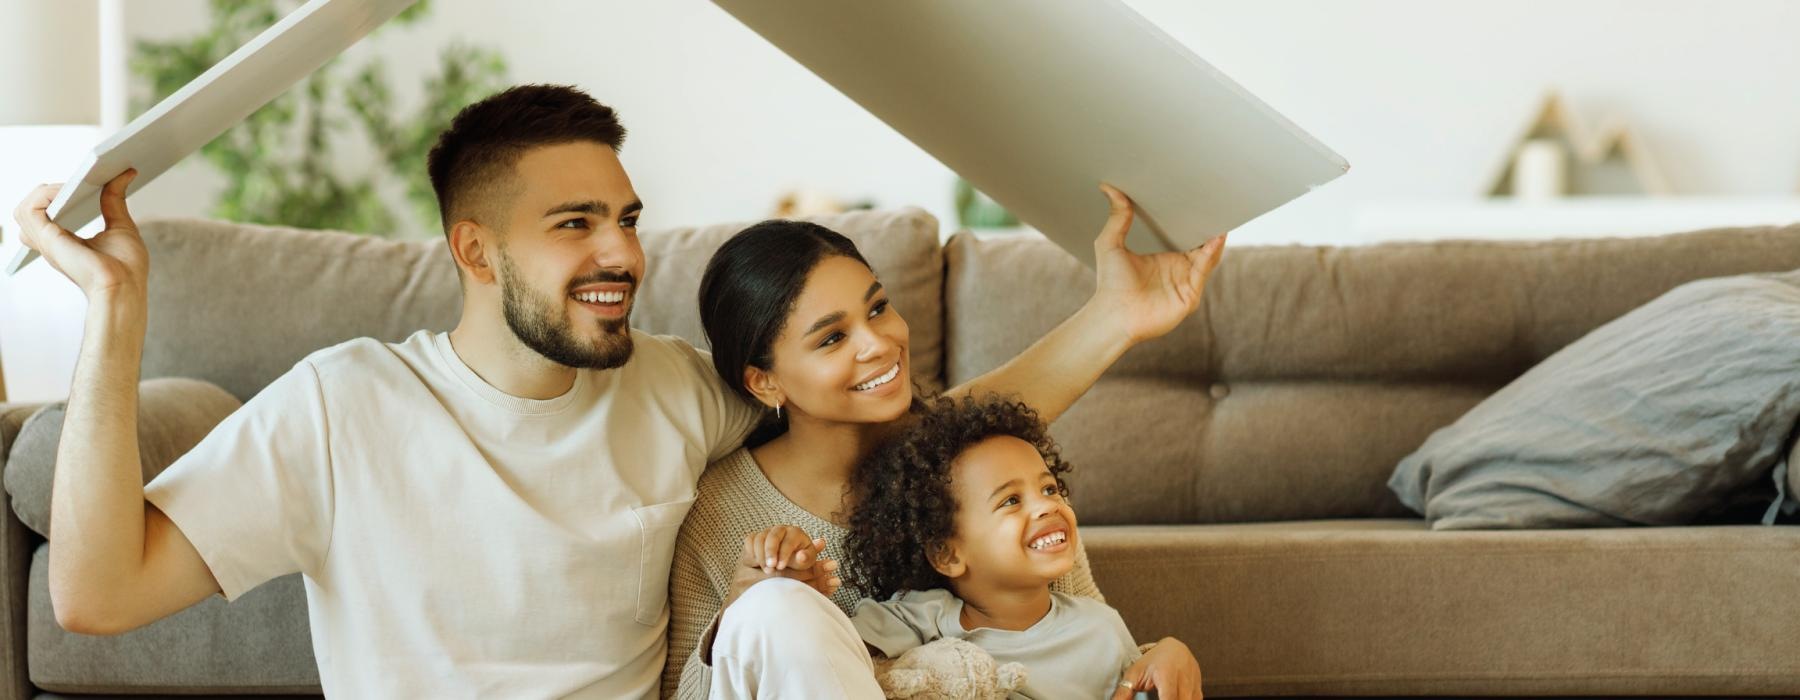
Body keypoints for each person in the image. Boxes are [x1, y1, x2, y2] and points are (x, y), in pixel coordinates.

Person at [9, 83, 1213, 698]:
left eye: (627, 220)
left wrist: (1116, 314)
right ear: (476, 251)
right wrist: (114, 318)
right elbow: (98, 593)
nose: (622, 255)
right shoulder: (342, 406)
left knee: (782, 614)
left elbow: (919, 432)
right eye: (574, 224)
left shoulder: (678, 390)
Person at [667, 192, 1224, 698]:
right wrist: (741, 611)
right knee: (775, 607)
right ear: (765, 380)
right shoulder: (718, 512)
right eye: (833, 338)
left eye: (879, 308)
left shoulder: (988, 467)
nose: (879, 344)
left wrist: (1158, 656)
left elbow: (1073, 628)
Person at [843, 395, 1192, 700]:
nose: (1046, 506)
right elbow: (825, 645)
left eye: (1050, 489)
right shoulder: (922, 617)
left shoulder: (1100, 627)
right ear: (947, 554)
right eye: (1011, 500)